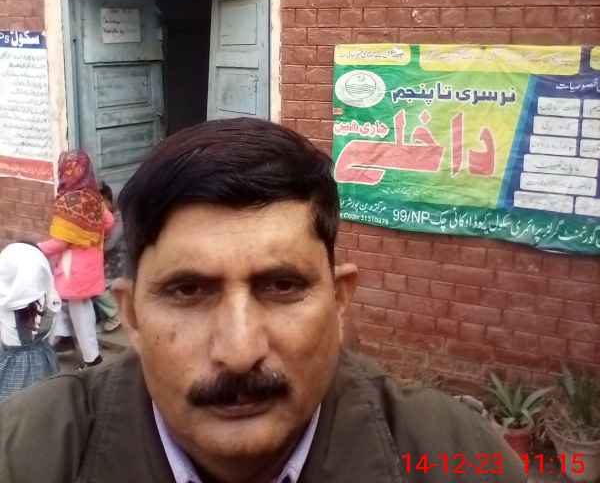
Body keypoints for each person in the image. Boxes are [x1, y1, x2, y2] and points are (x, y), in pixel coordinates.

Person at [0, 119, 525, 483]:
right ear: (132, 315)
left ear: (340, 302)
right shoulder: (25, 455)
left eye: (282, 287)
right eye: (189, 291)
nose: (239, 351)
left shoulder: (455, 457)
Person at [38, 150, 114, 369]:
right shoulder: (94, 198)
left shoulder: (68, 202)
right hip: (91, 263)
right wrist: (93, 237)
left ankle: (92, 358)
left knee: (79, 309)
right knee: (69, 303)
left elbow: (60, 243)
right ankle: (64, 338)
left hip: (73, 268)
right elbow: (109, 222)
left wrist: (34, 248)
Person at [0, 242, 61, 402]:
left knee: (10, 407)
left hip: (10, 365)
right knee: (39, 403)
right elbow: (52, 335)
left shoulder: (4, 304)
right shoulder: (52, 299)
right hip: (44, 359)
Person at [92, 181, 125, 332]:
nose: (101, 207)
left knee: (97, 286)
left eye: (103, 202)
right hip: (110, 259)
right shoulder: (111, 216)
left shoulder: (120, 220)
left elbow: (110, 245)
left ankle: (115, 315)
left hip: (118, 261)